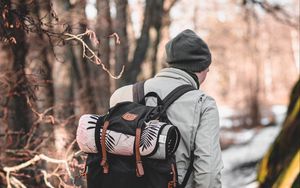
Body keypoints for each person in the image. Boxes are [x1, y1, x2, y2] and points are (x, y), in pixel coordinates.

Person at [110, 29, 223, 188]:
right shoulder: (203, 104)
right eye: (207, 69)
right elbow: (208, 172)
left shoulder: (120, 95)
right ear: (201, 67)